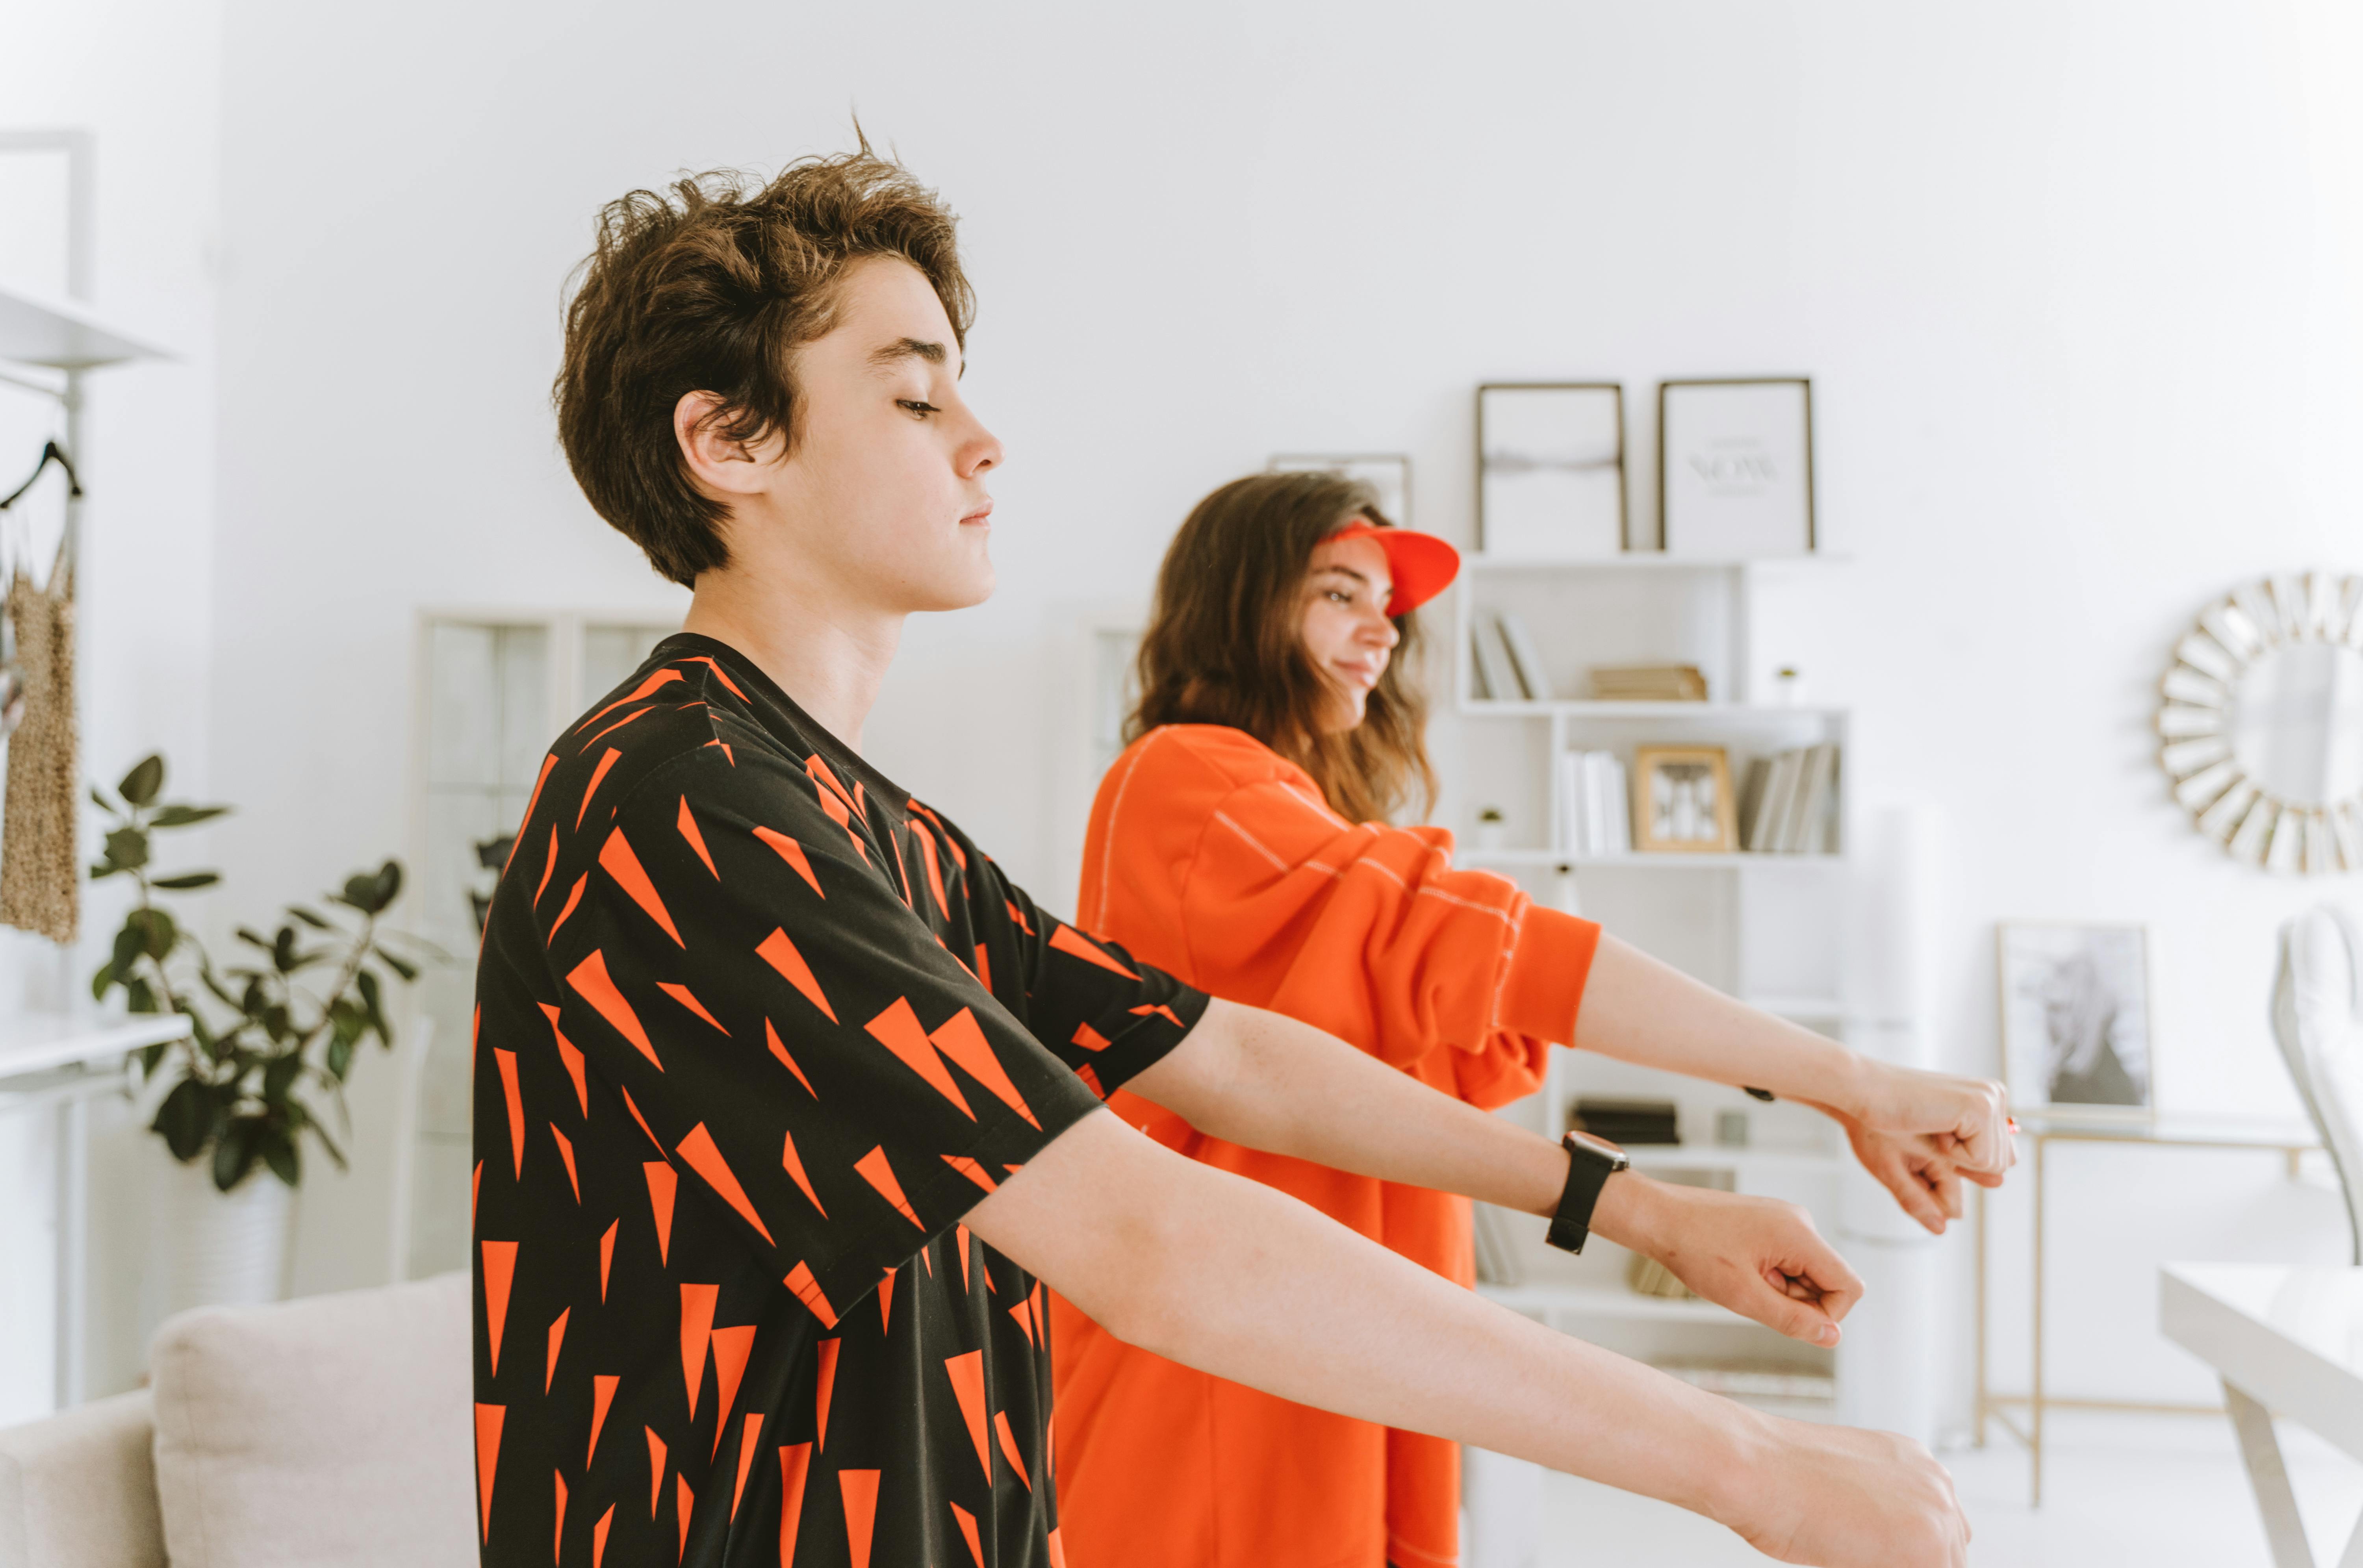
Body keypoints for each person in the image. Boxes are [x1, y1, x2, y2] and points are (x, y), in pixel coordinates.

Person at [472, 147, 2001, 1568]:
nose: (987, 439)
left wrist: (1649, 1211)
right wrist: (1751, 1467)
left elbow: (1231, 1062)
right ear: (730, 439)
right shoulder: (676, 801)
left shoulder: (862, 819)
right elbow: (1148, 1235)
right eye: (917, 396)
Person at [1049, 471, 2016, 1568]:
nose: (1382, 632)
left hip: (1336, 1333)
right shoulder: (1185, 778)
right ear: (1237, 605)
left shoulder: (1295, 815)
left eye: (1388, 608)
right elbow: (1508, 959)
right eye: (1338, 594)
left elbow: (1478, 991)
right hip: (1224, 1365)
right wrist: (1853, 1082)